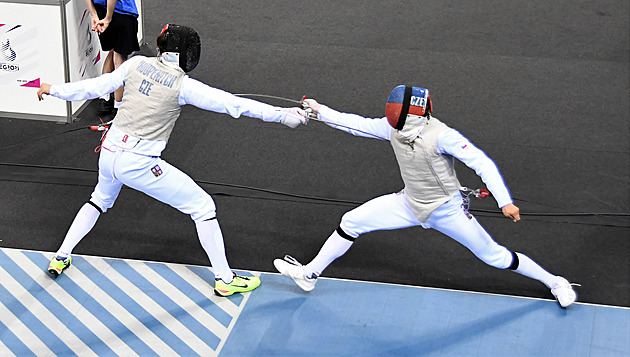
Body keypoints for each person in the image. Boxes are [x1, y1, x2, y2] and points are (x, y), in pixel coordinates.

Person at [37, 24, 307, 297]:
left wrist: (53, 89)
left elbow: (95, 86)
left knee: (99, 200)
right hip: (138, 163)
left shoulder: (136, 64)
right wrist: (281, 115)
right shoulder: (183, 86)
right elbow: (232, 104)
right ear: (183, 54)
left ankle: (61, 256)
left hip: (109, 154)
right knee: (202, 206)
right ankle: (225, 279)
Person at [274, 85, 578, 307]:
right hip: (408, 203)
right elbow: (354, 124)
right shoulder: (392, 128)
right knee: (351, 221)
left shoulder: (442, 135)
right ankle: (309, 274)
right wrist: (319, 111)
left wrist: (504, 201)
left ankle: (555, 282)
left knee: (495, 256)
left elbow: (481, 162)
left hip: (447, 210)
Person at [84, 0, 140, 116]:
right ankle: (119, 106)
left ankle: (104, 97)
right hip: (120, 12)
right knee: (120, 60)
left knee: (113, 50)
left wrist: (94, 14)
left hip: (100, 11)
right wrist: (108, 17)